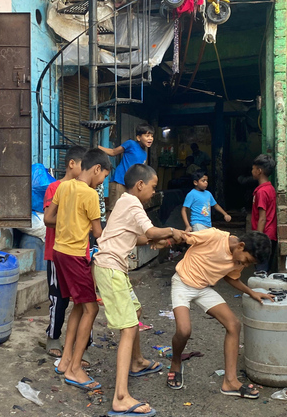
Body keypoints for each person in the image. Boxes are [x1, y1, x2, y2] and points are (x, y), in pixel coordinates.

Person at [93, 164, 187, 416]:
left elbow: (137, 237)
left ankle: (136, 361)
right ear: (140, 185)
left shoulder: (124, 202)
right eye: (154, 187)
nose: (155, 192)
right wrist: (172, 231)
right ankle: (120, 397)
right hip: (111, 269)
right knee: (128, 328)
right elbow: (150, 231)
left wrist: (162, 240)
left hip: (113, 268)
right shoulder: (133, 203)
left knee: (135, 312)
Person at [166, 229, 273, 398]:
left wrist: (251, 292)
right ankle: (176, 361)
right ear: (241, 246)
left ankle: (230, 381)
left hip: (203, 288)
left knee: (234, 325)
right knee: (184, 330)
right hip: (182, 284)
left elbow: (231, 277)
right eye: (246, 261)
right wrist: (167, 237)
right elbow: (185, 237)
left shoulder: (238, 259)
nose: (244, 265)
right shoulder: (214, 237)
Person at [44, 148, 111, 391]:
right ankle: (75, 369)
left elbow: (49, 219)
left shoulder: (63, 187)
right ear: (96, 169)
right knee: (91, 309)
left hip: (58, 252)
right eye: (103, 176)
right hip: (74, 255)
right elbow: (97, 233)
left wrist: (68, 219)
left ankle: (65, 361)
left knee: (79, 305)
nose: (102, 181)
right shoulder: (91, 195)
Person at [43, 146, 88, 360]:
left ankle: (82, 345)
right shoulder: (54, 188)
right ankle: (53, 336)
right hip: (57, 253)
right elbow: (48, 218)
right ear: (72, 164)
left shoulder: (88, 190)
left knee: (84, 301)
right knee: (59, 298)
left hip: (81, 253)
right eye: (83, 166)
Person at [98, 124, 155, 213]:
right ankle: (109, 227)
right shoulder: (131, 144)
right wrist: (98, 147)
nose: (150, 138)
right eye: (147, 136)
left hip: (131, 186)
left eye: (152, 136)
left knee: (126, 211)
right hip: (119, 182)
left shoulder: (144, 153)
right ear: (139, 137)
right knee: (114, 210)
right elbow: (113, 152)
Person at [251, 154, 278, 273]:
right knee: (265, 268)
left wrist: (257, 239)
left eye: (253, 168)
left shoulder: (261, 192)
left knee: (261, 271)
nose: (252, 171)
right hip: (270, 235)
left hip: (264, 235)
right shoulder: (270, 188)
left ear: (259, 171)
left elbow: (262, 218)